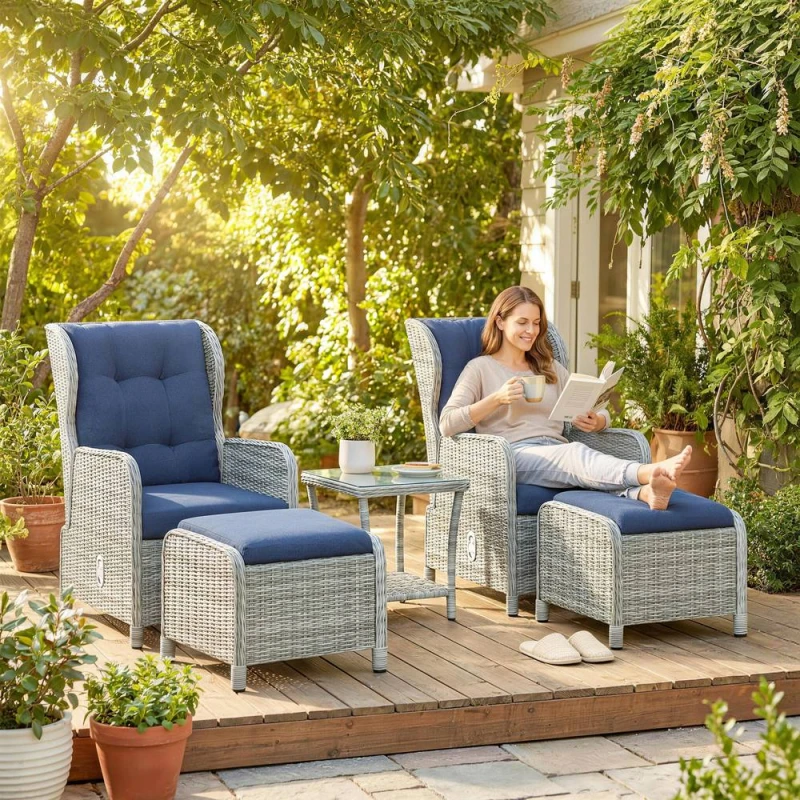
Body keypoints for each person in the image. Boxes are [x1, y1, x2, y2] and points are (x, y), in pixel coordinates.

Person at [439, 286, 692, 510]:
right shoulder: (480, 368)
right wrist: (497, 398)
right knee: (574, 455)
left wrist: (598, 421)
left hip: (556, 449)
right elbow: (447, 423)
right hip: (511, 455)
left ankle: (645, 493)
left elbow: (600, 409)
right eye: (523, 322)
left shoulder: (547, 367)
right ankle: (647, 472)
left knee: (573, 460)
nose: (531, 331)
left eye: (537, 323)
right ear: (500, 322)